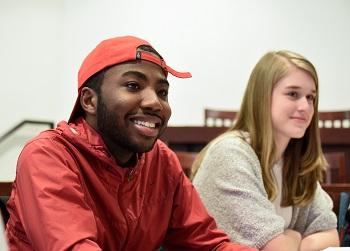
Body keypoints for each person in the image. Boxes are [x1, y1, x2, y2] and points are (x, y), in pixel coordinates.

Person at [5, 35, 257, 251]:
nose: (154, 103)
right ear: (89, 101)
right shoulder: (48, 156)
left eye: (162, 92)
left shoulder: (161, 160)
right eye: (133, 85)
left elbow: (210, 245)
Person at [192, 50, 340, 251]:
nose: (305, 106)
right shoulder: (229, 155)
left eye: (311, 97)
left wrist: (292, 240)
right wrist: (295, 237)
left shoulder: (294, 161)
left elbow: (331, 236)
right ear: (262, 97)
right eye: (293, 94)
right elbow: (275, 249)